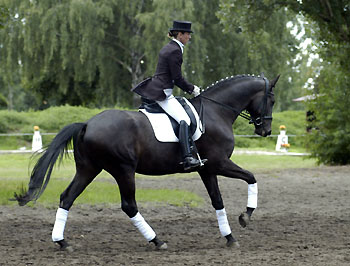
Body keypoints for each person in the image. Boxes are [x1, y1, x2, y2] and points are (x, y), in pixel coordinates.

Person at [132, 20, 203, 171]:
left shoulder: (171, 47)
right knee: (184, 119)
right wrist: (192, 89)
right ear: (180, 34)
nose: (189, 37)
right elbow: (177, 78)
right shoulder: (174, 50)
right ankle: (188, 157)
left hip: (158, 89)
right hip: (162, 93)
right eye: (188, 34)